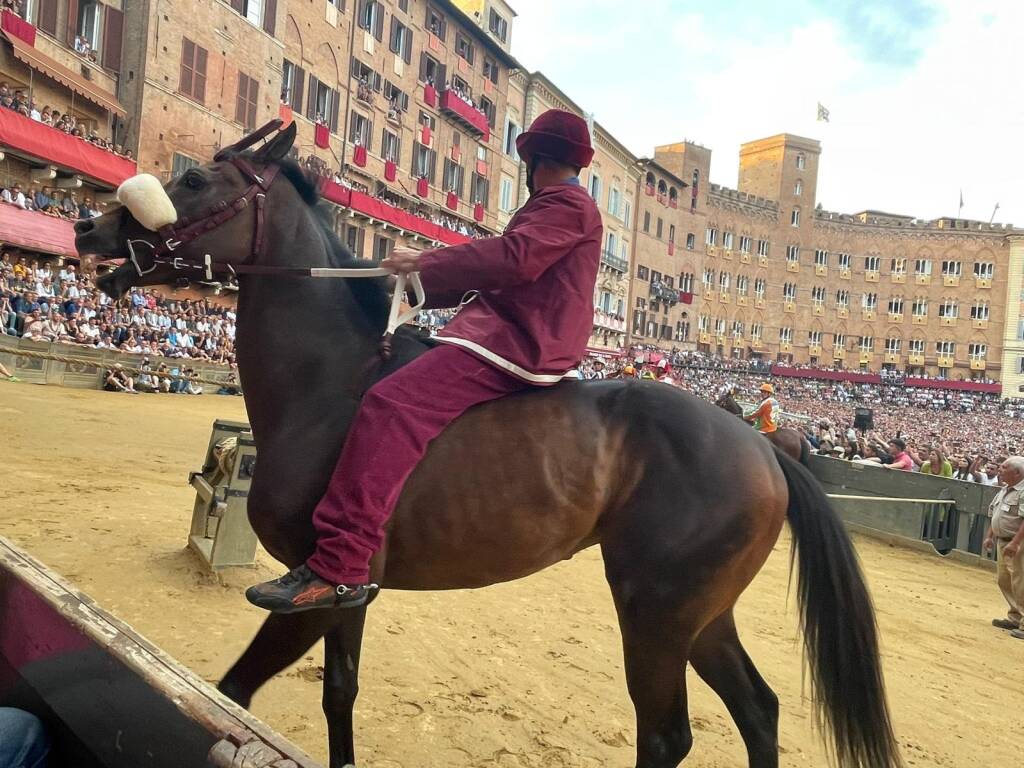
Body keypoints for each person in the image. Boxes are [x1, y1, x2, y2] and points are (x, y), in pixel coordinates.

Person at [246, 109, 603, 612]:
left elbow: (512, 259)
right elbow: (497, 267)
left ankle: (341, 564)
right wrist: (407, 281)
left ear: (533, 155)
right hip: (506, 331)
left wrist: (425, 262)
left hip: (521, 340)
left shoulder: (565, 203)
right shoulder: (557, 203)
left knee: (391, 402)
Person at [983, 457, 1024, 639]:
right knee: (1004, 580)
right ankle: (1015, 616)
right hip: (1003, 541)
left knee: (1021, 582)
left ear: (1017, 472)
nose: (1000, 469)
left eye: (1004, 467)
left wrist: (1015, 543)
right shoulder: (1005, 489)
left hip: (1017, 543)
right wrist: (990, 536)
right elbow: (995, 514)